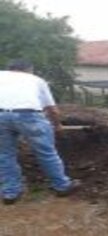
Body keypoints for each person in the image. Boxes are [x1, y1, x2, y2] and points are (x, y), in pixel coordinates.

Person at [0, 59, 80, 205]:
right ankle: (62, 186)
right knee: (46, 152)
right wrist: (57, 125)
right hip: (28, 116)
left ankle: (10, 193)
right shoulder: (36, 80)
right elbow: (52, 109)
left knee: (4, 155)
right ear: (29, 69)